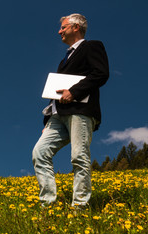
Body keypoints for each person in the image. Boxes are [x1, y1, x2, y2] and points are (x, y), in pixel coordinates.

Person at [32, 13, 109, 208]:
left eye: (63, 27)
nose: (59, 31)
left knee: (79, 156)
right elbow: (57, 92)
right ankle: (47, 205)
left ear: (76, 27)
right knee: (40, 152)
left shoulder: (92, 46)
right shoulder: (64, 60)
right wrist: (47, 122)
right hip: (58, 116)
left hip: (80, 111)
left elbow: (100, 74)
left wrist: (73, 92)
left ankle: (80, 208)